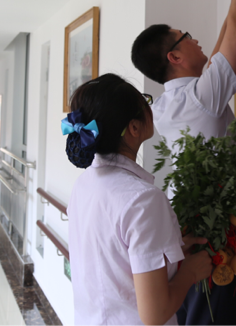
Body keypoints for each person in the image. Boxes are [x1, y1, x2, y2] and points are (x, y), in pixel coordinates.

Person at [130, 0, 236, 326]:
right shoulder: (202, 98)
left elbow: (225, 37)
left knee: (193, 314)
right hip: (213, 226)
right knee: (212, 318)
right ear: (175, 56)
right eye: (186, 37)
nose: (196, 39)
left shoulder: (168, 103)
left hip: (184, 223)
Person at [65, 73, 214, 326]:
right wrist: (190, 271)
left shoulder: (84, 184)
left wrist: (169, 251)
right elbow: (155, 314)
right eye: (145, 101)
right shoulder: (142, 200)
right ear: (133, 128)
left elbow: (113, 258)